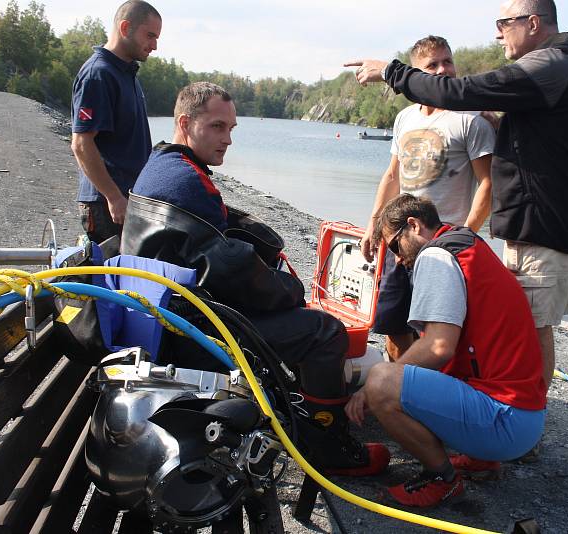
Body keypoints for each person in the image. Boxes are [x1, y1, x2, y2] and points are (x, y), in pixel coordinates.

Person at [121, 81, 390, 476]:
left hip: (166, 319)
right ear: (185, 123)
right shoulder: (185, 180)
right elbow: (230, 272)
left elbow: (212, 244)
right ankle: (329, 449)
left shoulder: (163, 163)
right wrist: (290, 291)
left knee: (297, 319)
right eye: (217, 127)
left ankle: (298, 415)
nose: (227, 139)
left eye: (231, 129)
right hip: (191, 337)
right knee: (325, 331)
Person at [347, 0, 568, 393]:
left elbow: (466, 91)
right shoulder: (565, 68)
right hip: (554, 223)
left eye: (504, 23)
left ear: (532, 23)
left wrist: (391, 72)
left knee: (530, 330)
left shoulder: (551, 64)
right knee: (528, 326)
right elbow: (546, 142)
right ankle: (508, 405)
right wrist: (505, 119)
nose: (497, 33)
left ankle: (521, 416)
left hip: (543, 228)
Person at [345, 194, 546, 507]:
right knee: (401, 377)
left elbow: (439, 347)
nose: (397, 259)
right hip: (525, 415)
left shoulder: (435, 256)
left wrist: (370, 391)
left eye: (395, 246)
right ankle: (481, 459)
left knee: (382, 380)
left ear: (414, 225)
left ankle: (441, 478)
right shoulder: (466, 243)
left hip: (505, 421)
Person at [361, 35, 495, 360]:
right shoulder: (405, 118)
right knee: (392, 324)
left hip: (444, 247)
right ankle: (399, 387)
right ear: (417, 73)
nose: (442, 70)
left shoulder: (470, 118)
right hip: (399, 242)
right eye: (431, 65)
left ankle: (426, 393)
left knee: (438, 335)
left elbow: (489, 184)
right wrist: (374, 225)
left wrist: (466, 237)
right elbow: (393, 175)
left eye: (447, 61)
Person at [70, 0, 162, 243]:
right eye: (150, 36)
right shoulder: (99, 74)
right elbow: (81, 144)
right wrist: (113, 197)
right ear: (125, 28)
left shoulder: (127, 73)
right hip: (106, 206)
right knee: (111, 276)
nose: (154, 45)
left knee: (130, 276)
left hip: (128, 199)